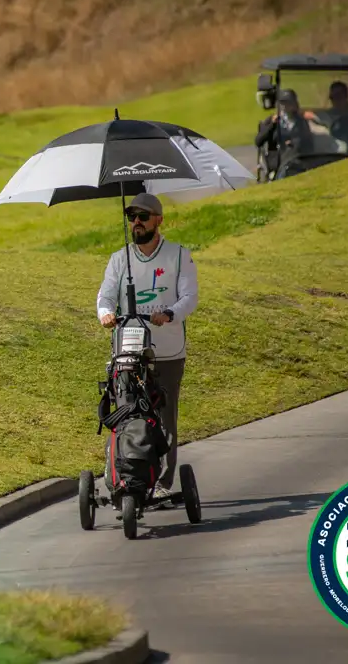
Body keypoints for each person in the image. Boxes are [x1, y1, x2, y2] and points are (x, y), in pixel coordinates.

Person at [96, 193, 198, 504]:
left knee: (165, 418)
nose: (137, 222)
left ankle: (163, 482)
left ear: (159, 219)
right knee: (126, 413)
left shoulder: (178, 256)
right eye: (132, 217)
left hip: (167, 351)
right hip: (129, 350)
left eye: (143, 216)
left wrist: (169, 314)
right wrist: (106, 314)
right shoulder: (120, 259)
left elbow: (189, 298)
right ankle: (127, 476)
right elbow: (105, 296)